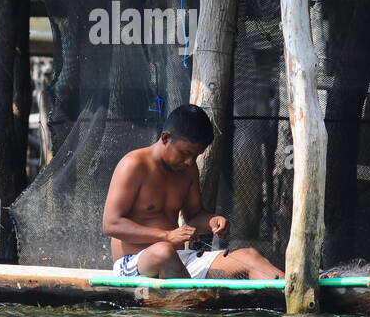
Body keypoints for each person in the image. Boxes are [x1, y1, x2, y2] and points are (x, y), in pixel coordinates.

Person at [102, 104, 283, 280]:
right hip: (135, 262)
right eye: (185, 153)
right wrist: (166, 236)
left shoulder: (188, 170)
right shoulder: (134, 164)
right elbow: (111, 224)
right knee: (163, 252)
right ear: (165, 138)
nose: (190, 161)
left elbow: (194, 216)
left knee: (250, 256)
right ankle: (194, 305)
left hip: (179, 258)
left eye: (196, 156)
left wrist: (212, 221)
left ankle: (295, 298)